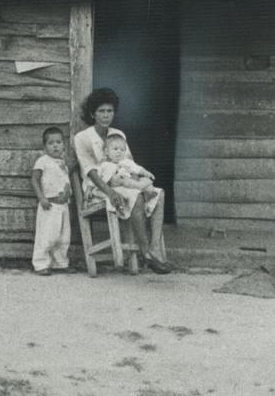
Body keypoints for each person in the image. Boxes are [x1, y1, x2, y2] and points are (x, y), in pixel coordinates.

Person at [73, 87, 173, 274]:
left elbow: (128, 163)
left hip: (122, 181)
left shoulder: (118, 134)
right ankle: (146, 253)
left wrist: (138, 180)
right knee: (135, 195)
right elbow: (90, 171)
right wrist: (110, 192)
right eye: (101, 111)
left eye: (109, 111)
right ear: (92, 113)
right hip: (98, 188)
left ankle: (153, 248)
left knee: (158, 194)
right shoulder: (82, 138)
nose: (106, 115)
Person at [29, 126, 72, 276]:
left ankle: (60, 263)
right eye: (51, 143)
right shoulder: (43, 161)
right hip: (50, 205)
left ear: (63, 145)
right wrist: (41, 198)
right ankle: (40, 264)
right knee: (48, 236)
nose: (55, 145)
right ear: (44, 146)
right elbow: (35, 179)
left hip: (63, 206)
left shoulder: (63, 163)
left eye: (59, 142)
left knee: (63, 237)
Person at [97, 130, 161, 219]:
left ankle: (148, 192)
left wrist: (146, 172)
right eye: (115, 149)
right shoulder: (104, 165)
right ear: (107, 152)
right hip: (119, 185)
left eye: (122, 150)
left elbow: (138, 169)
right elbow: (96, 178)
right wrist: (89, 188)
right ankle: (143, 189)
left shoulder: (127, 162)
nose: (119, 152)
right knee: (125, 181)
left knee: (146, 180)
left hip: (131, 182)